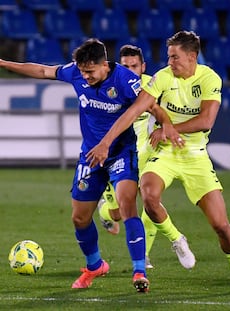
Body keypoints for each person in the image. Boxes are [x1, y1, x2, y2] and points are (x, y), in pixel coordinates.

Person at [86, 30, 230, 294]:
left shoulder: (209, 78)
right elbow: (136, 109)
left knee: (221, 225)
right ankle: (177, 239)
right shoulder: (163, 77)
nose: (170, 62)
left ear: (192, 57)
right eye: (168, 57)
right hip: (165, 152)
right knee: (148, 195)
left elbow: (206, 121)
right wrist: (107, 141)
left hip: (195, 157)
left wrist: (170, 128)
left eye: (175, 57)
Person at [0, 38, 182, 293]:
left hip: (120, 153)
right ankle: (95, 265)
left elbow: (153, 107)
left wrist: (167, 125)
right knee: (79, 217)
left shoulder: (124, 80)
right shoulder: (76, 71)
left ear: (104, 66)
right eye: (82, 71)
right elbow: (42, 70)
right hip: (91, 156)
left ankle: (139, 270)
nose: (84, 77)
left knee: (127, 204)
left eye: (89, 72)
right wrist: (3, 63)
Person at [97, 44, 195, 270]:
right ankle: (105, 210)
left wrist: (167, 127)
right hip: (118, 152)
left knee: (151, 199)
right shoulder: (109, 85)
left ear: (143, 66)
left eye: (134, 66)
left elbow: (167, 111)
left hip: (148, 149)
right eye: (125, 66)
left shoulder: (153, 86)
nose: (130, 71)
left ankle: (145, 254)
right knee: (117, 214)